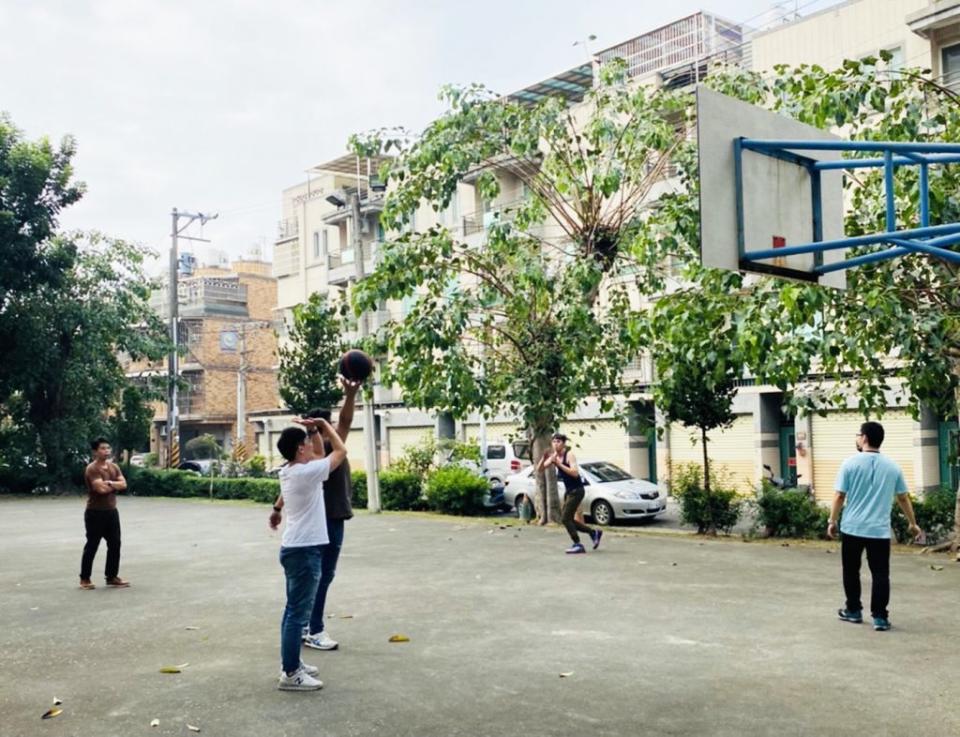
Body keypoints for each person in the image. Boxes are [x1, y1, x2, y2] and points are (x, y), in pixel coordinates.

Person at [270, 377, 361, 652]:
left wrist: (277, 508)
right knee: (321, 575)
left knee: (311, 578)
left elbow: (293, 483)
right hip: (326, 521)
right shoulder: (324, 453)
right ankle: (313, 627)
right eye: (327, 426)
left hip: (319, 523)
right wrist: (349, 395)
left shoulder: (306, 459)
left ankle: (303, 626)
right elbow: (344, 424)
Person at [827, 421, 924, 632]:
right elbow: (903, 498)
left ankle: (853, 610)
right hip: (879, 531)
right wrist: (913, 524)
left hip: (852, 528)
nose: (857, 438)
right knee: (880, 574)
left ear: (864, 438)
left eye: (857, 435)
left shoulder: (849, 464)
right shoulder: (892, 467)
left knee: (851, 571)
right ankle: (880, 617)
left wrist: (832, 521)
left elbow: (839, 495)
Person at [274, 418, 347, 691]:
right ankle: (291, 673)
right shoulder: (306, 474)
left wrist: (314, 431)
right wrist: (327, 426)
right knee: (297, 614)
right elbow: (340, 452)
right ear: (299, 449)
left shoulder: (293, 470)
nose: (311, 447)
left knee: (292, 611)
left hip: (295, 548)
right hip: (304, 552)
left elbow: (318, 453)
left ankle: (291, 663)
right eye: (306, 442)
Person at [537, 433, 602, 554]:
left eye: (559, 442)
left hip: (577, 491)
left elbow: (575, 473)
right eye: (554, 442)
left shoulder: (569, 455)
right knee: (568, 519)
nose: (556, 444)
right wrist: (543, 458)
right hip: (569, 492)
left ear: (564, 444)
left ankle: (578, 544)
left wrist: (559, 464)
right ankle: (593, 533)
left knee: (565, 519)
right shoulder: (554, 456)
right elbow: (540, 469)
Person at [80, 438, 130, 590]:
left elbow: (124, 484)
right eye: (102, 448)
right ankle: (85, 578)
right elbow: (100, 490)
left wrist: (109, 483)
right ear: (95, 451)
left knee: (115, 544)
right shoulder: (92, 469)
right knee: (92, 545)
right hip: (95, 513)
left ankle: (112, 576)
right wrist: (115, 485)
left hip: (111, 512)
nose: (106, 451)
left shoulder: (114, 467)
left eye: (108, 448)